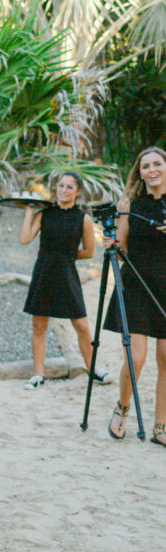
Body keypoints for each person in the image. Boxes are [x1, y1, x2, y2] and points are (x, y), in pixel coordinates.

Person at [19, 171, 110, 390]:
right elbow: (24, 239)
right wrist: (29, 212)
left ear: (78, 191)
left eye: (69, 187)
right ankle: (38, 375)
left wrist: (66, 254)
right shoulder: (44, 214)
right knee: (39, 325)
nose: (63, 190)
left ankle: (92, 369)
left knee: (81, 325)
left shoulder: (83, 219)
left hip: (67, 273)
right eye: (61, 185)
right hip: (44, 273)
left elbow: (89, 251)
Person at [103, 146, 166, 445]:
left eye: (157, 163)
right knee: (136, 357)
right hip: (137, 284)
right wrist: (112, 245)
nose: (152, 170)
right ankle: (123, 406)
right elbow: (123, 246)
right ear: (139, 172)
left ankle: (161, 425)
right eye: (145, 166)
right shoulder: (129, 204)